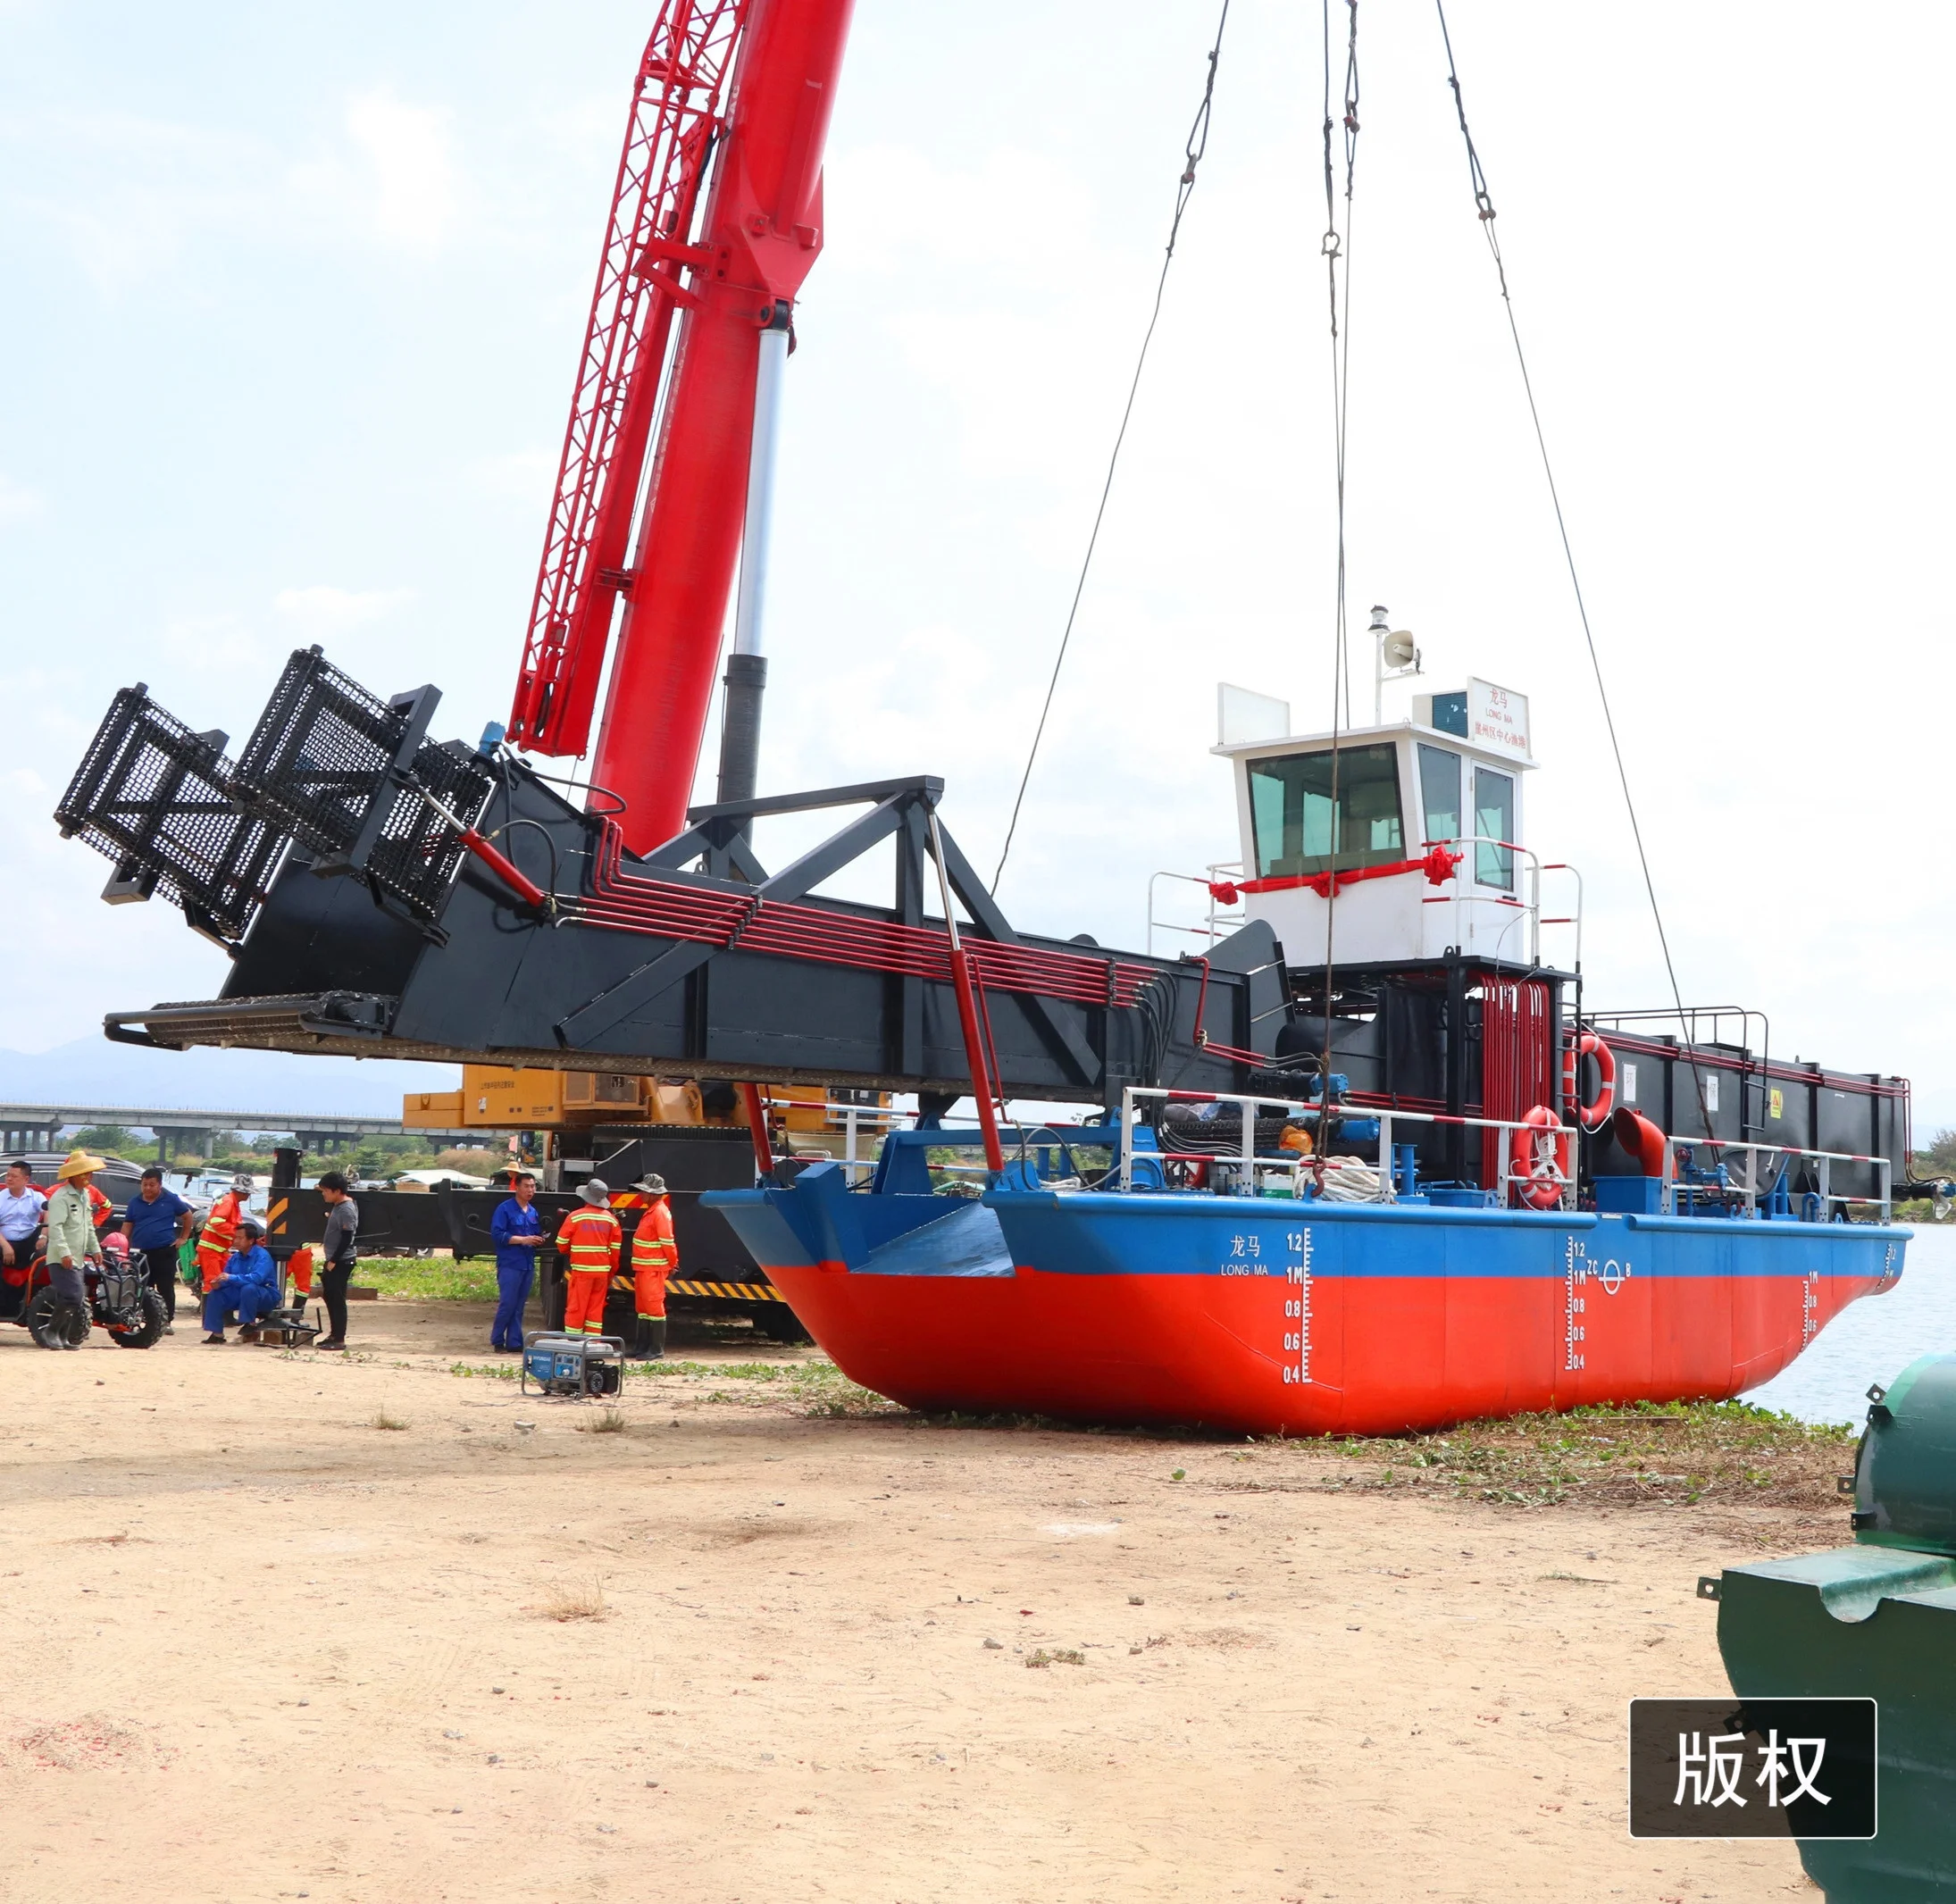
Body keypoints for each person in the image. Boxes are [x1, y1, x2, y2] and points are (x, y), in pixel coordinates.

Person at [43, 1149, 105, 1344]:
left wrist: (96, 1249)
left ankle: (62, 1335)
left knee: (72, 1297)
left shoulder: (85, 1195)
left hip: (78, 1256)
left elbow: (88, 1226)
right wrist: (64, 1252)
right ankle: (51, 1331)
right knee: (73, 1296)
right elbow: (56, 1228)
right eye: (87, 1173)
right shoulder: (61, 1197)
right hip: (62, 1257)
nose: (90, 1177)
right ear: (77, 1175)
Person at [121, 1166, 193, 1334]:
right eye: (144, 1184)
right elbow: (128, 1225)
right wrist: (122, 1246)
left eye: (151, 1185)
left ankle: (166, 1321)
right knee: (143, 1286)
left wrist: (183, 1238)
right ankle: (145, 1319)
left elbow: (188, 1216)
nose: (147, 1188)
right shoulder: (134, 1202)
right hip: (140, 1252)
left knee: (165, 1287)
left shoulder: (170, 1199)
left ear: (159, 1185)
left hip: (164, 1251)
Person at [555, 1178, 620, 1338]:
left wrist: (575, 1252)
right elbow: (615, 1253)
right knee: (595, 1311)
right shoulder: (612, 1220)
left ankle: (574, 1344)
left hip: (582, 1272)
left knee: (576, 1308)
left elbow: (561, 1244)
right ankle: (592, 1346)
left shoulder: (575, 1217)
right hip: (602, 1274)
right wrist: (610, 1274)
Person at [201, 1215, 280, 1343]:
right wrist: (219, 1284)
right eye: (235, 1237)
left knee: (249, 1288)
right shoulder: (235, 1258)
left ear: (251, 1240)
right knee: (216, 1293)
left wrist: (231, 1278)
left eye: (240, 1238)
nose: (235, 1241)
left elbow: (257, 1279)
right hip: (242, 1294)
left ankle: (249, 1323)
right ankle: (217, 1334)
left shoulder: (262, 1256)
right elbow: (227, 1278)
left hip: (265, 1295)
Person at [489, 1171, 545, 1352]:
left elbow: (534, 1233)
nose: (531, 1190)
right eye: (527, 1186)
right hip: (510, 1264)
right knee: (507, 1303)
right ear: (517, 1187)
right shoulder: (504, 1209)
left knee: (519, 1305)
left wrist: (538, 1239)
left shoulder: (533, 1211)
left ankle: (514, 1343)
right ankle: (497, 1340)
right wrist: (523, 1240)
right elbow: (498, 1235)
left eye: (533, 1186)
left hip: (527, 1263)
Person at [627, 1173, 676, 1360]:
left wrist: (673, 1263)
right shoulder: (652, 1211)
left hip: (653, 1270)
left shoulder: (659, 1213)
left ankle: (656, 1350)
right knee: (643, 1308)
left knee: (654, 1308)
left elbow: (668, 1242)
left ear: (653, 1194)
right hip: (644, 1269)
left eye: (644, 1191)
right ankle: (642, 1347)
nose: (641, 1195)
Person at [315, 1170, 359, 1351]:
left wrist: (333, 1260)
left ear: (336, 1191)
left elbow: (347, 1237)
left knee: (337, 1299)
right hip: (335, 1260)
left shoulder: (347, 1209)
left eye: (325, 1190)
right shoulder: (338, 1207)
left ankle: (339, 1339)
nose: (324, 1194)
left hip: (342, 1261)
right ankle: (334, 1334)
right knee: (330, 1296)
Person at [195, 1172, 253, 1294]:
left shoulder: (232, 1203)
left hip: (218, 1250)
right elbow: (217, 1222)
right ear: (242, 1192)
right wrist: (237, 1234)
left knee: (223, 1280)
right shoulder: (229, 1202)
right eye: (248, 1192)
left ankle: (220, 1311)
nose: (249, 1195)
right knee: (213, 1282)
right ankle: (210, 1312)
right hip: (211, 1250)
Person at [0, 1157, 47, 1276]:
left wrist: (44, 1235)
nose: (9, 1179)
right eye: (8, 1175)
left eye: (14, 1176)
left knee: (48, 1250)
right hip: (5, 1241)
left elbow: (49, 1212)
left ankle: (33, 1287)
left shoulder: (36, 1196)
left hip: (30, 1241)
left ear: (26, 1179)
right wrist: (5, 1246)